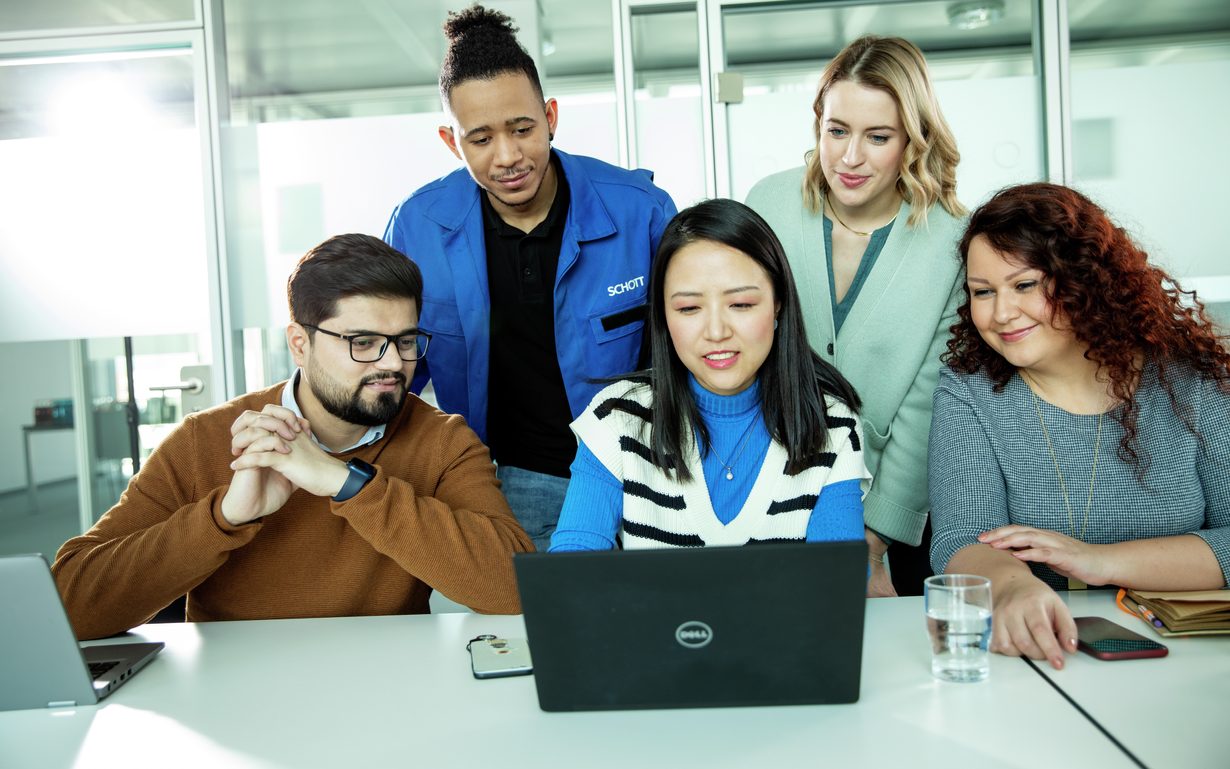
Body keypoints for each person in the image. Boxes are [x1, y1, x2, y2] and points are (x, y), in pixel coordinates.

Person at [53, 234, 534, 641]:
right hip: (231, 706)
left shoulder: (442, 441)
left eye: (405, 341)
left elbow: (516, 591)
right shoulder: (204, 438)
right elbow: (68, 606)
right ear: (299, 344)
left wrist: (346, 484)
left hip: (384, 695)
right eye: (363, 343)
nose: (393, 363)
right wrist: (223, 518)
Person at [383, 5, 677, 553]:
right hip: (515, 484)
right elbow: (390, 365)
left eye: (523, 129)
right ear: (452, 141)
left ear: (552, 117)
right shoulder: (417, 227)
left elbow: (690, 350)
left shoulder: (641, 211)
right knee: (542, 635)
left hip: (649, 470)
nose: (508, 157)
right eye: (481, 139)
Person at [929, 183, 1230, 670]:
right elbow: (961, 537)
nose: (1000, 313)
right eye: (982, 292)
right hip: (1040, 654)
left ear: (1083, 281)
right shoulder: (969, 391)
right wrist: (1014, 588)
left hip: (1190, 660)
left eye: (1024, 285)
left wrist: (1099, 561)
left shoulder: (1194, 383)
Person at [745, 35, 967, 596]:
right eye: (837, 130)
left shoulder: (952, 241)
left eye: (878, 137)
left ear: (912, 141)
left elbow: (930, 400)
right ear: (817, 124)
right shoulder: (766, 204)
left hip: (890, 513)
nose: (849, 157)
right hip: (768, 491)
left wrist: (872, 538)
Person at [548, 199, 869, 554]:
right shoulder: (617, 419)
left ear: (778, 303)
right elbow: (571, 575)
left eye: (741, 304)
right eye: (689, 308)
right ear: (664, 317)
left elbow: (835, 588)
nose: (716, 332)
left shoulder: (833, 425)